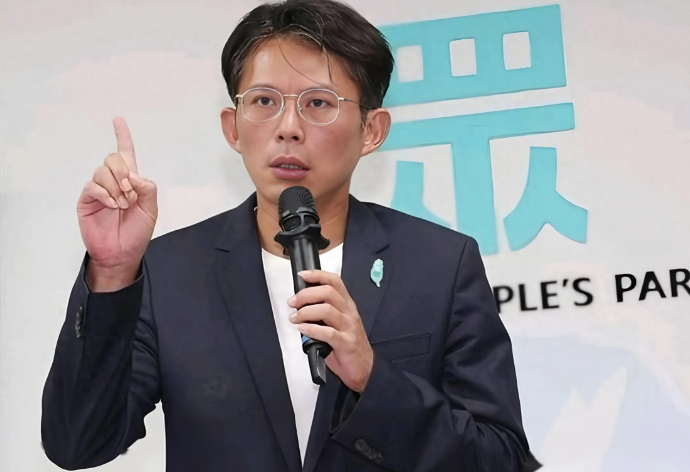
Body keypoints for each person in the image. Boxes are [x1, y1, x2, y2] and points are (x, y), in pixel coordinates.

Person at [41, 1, 537, 471]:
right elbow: (77, 443)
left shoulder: (439, 265)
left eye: (318, 103)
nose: (288, 128)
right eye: (264, 101)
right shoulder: (170, 272)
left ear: (371, 130)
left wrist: (372, 377)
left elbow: (501, 458)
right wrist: (112, 273)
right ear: (233, 128)